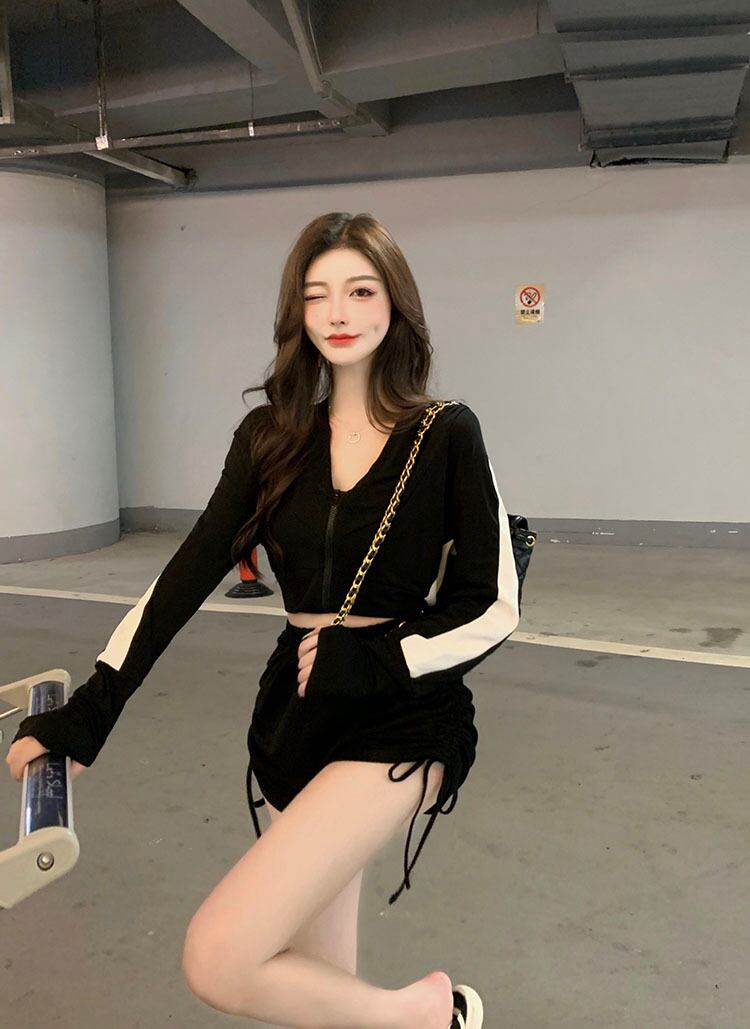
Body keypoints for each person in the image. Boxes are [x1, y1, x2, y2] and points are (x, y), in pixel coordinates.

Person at [6, 211, 520, 1029]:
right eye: (317, 295)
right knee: (321, 988)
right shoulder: (270, 438)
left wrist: (381, 659)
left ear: (395, 303)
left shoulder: (445, 432)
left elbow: (492, 604)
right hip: (296, 711)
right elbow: (184, 577)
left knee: (219, 955)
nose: (338, 312)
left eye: (361, 290)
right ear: (297, 312)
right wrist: (94, 707)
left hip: (399, 713)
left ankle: (428, 1014)